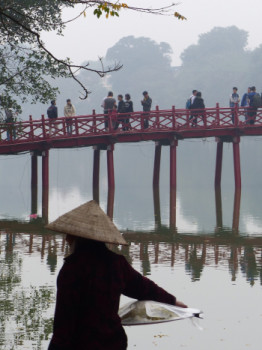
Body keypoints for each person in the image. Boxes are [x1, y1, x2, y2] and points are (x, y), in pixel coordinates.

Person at [47, 200, 187, 350]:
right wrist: (173, 302)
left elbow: (64, 321)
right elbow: (144, 288)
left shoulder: (72, 269)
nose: (67, 239)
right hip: (113, 342)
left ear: (75, 237)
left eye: (69, 234)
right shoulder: (116, 263)